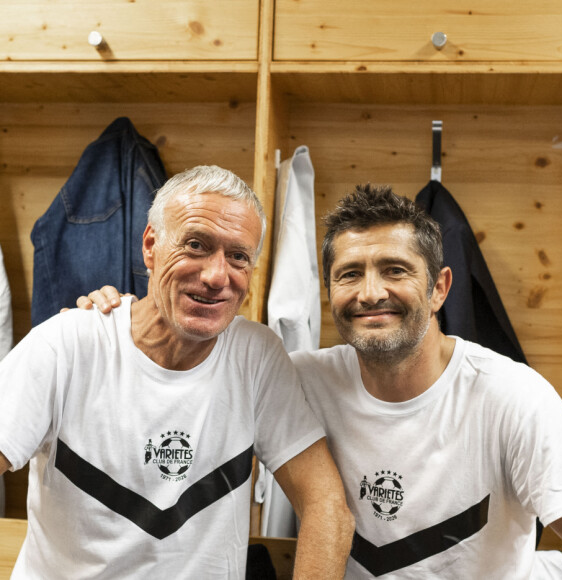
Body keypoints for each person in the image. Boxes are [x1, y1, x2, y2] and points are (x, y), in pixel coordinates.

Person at [78, 184, 562, 578]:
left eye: (395, 270)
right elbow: (175, 375)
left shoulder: (515, 398)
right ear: (329, 291)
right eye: (349, 274)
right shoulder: (296, 378)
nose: (371, 292)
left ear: (439, 288)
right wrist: (118, 322)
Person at [0, 165, 354, 579]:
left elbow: (327, 505)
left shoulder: (257, 356)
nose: (216, 276)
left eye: (238, 256)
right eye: (196, 245)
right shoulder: (66, 344)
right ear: (150, 245)